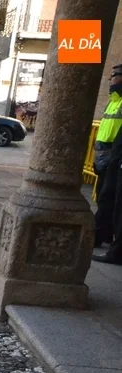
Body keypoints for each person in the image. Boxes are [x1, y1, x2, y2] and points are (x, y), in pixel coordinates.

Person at [92, 65, 122, 251]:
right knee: (103, 195)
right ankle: (105, 233)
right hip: (103, 154)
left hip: (115, 154)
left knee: (107, 197)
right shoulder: (112, 100)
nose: (110, 79)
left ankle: (98, 233)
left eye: (114, 75)